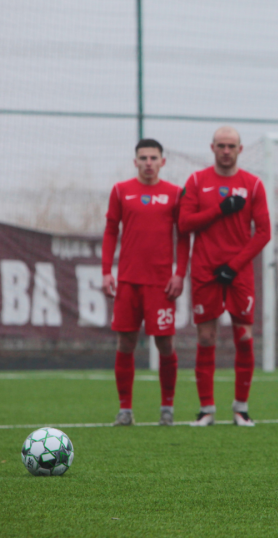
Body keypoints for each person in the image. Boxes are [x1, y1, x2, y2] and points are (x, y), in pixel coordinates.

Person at [179, 126, 270, 427]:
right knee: (206, 337)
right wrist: (220, 209)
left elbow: (264, 232)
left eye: (231, 146)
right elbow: (184, 224)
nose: (226, 151)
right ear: (213, 148)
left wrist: (235, 265)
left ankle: (241, 409)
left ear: (240, 149)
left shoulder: (253, 185)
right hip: (205, 271)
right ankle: (206, 410)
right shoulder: (196, 181)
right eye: (221, 146)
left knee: (244, 337)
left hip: (239, 273)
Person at [102, 138, 190, 426]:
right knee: (126, 341)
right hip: (128, 281)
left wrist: (180, 273)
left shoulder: (175, 194)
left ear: (162, 162)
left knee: (165, 343)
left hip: (160, 284)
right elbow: (111, 231)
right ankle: (125, 409)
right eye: (143, 158)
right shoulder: (121, 191)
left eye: (153, 158)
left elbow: (183, 237)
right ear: (135, 162)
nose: (148, 163)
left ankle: (167, 407)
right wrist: (107, 271)